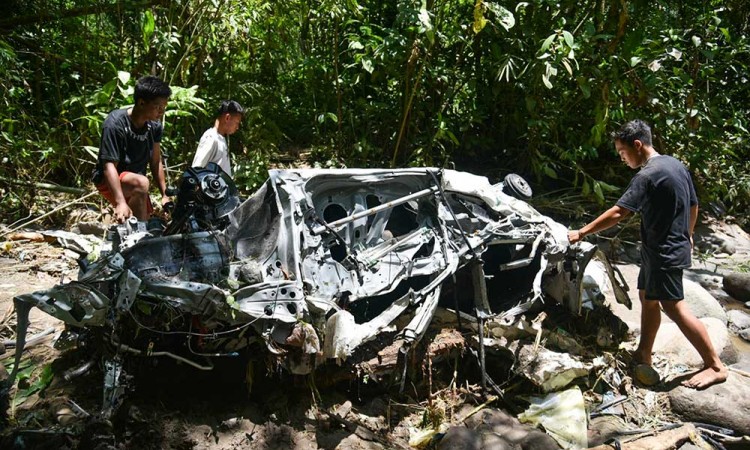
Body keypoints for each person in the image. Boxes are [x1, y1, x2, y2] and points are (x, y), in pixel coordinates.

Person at [568, 119, 727, 389]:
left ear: (637, 145)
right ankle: (644, 353)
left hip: (665, 252)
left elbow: (620, 211)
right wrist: (688, 233)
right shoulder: (674, 164)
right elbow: (693, 204)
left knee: (674, 306)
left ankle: (715, 365)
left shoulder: (647, 175)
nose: (622, 159)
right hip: (662, 248)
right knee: (647, 297)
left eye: (622, 153)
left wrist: (581, 233)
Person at [92, 75, 172, 223]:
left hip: (135, 181)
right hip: (110, 179)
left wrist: (165, 194)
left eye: (164, 107)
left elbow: (155, 161)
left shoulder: (154, 126)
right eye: (158, 107)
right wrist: (120, 202)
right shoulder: (115, 123)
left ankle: (135, 235)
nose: (161, 112)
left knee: (143, 219)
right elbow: (109, 166)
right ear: (141, 102)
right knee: (141, 184)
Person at [191, 100, 244, 176]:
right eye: (237, 123)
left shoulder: (221, 139)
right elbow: (196, 169)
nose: (237, 127)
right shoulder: (211, 137)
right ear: (227, 118)